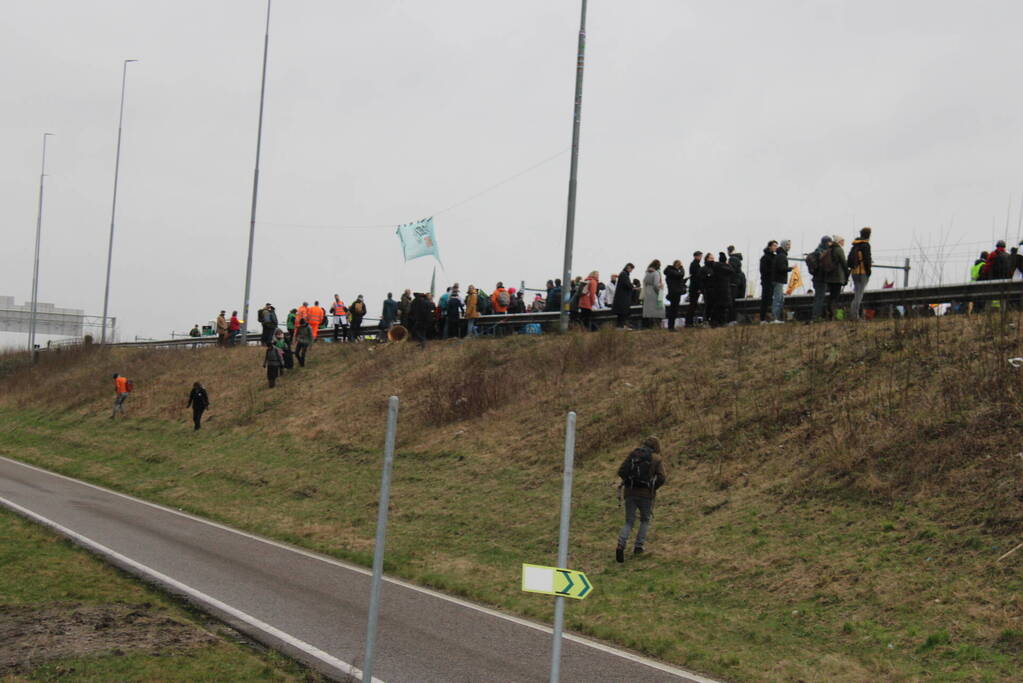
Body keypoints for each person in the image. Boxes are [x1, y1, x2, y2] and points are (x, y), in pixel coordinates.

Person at [615, 436, 667, 562]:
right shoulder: (656, 458)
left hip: (630, 492)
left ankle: (621, 545)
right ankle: (638, 547)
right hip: (646, 494)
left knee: (629, 521)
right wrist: (653, 488)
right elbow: (662, 477)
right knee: (645, 520)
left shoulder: (634, 454)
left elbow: (621, 471)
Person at [809, 236, 847, 321]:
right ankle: (816, 317)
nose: (830, 244)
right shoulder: (823, 252)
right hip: (821, 278)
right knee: (820, 298)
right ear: (826, 242)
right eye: (829, 242)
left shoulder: (818, 251)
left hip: (817, 278)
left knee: (820, 298)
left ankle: (818, 316)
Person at [847, 228, 873, 320]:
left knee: (856, 294)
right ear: (868, 235)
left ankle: (853, 314)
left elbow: (848, 261)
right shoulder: (866, 245)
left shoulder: (855, 245)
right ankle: (855, 316)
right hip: (862, 273)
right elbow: (867, 260)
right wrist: (869, 272)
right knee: (859, 294)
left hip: (854, 273)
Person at [772, 240, 792, 323]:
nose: (789, 246)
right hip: (778, 280)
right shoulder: (782, 256)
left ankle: (778, 318)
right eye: (787, 245)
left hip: (777, 280)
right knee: (778, 299)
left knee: (779, 299)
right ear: (784, 246)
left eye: (790, 245)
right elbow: (781, 268)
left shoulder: (780, 255)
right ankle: (776, 318)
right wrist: (790, 268)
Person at [642, 260, 665, 328]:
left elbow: (645, 281)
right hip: (655, 293)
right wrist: (659, 290)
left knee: (649, 310)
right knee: (658, 310)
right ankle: (657, 326)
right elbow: (655, 285)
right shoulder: (656, 273)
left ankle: (649, 326)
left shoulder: (647, 273)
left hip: (648, 292)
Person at [664, 260, 686, 330]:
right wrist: (682, 268)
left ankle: (671, 326)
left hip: (672, 292)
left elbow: (677, 279)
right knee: (673, 310)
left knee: (673, 309)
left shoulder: (670, 272)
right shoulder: (672, 272)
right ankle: (671, 327)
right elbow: (681, 275)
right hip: (675, 293)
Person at [611, 264, 635, 328]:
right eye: (631, 269)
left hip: (621, 298)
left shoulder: (623, 274)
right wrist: (632, 286)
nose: (631, 270)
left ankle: (620, 327)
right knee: (622, 314)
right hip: (623, 299)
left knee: (621, 315)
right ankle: (621, 326)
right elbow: (628, 285)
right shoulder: (624, 274)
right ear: (628, 267)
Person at [759, 241, 778, 322]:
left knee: (772, 300)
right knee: (765, 300)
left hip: (774, 281)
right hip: (767, 282)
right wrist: (772, 272)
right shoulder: (765, 258)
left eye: (776, 246)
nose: (776, 247)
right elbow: (763, 270)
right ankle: (763, 319)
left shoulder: (775, 257)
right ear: (769, 246)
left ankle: (771, 318)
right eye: (774, 245)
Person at [726, 246, 745, 323]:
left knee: (732, 301)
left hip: (734, 282)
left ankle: (732, 319)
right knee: (739, 301)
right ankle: (739, 319)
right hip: (740, 280)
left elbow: (732, 270)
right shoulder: (738, 258)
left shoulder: (732, 258)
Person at [685, 251, 703, 327]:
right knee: (692, 306)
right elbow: (696, 278)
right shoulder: (695, 265)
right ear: (696, 256)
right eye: (700, 256)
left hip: (694, 288)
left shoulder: (695, 264)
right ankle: (689, 323)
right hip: (694, 288)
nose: (701, 258)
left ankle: (689, 322)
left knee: (693, 305)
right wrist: (699, 288)